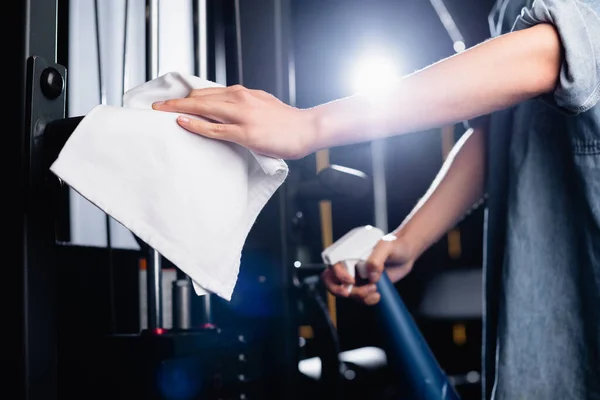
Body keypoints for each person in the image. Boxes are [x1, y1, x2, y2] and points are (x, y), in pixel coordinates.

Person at [152, 0, 600, 398]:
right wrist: (408, 239)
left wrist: (309, 127)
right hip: (541, 332)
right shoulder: (509, 8)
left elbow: (555, 51)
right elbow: (501, 131)